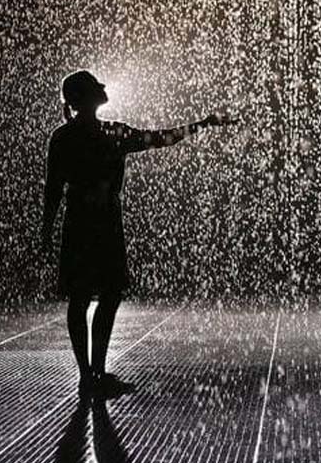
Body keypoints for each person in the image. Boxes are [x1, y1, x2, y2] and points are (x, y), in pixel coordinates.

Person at [40, 70, 237, 400]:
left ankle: (89, 375)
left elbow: (54, 190)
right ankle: (94, 373)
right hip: (103, 222)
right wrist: (202, 124)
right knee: (106, 294)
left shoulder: (66, 137)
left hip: (80, 221)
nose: (104, 87)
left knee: (82, 296)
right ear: (85, 97)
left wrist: (47, 229)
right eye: (96, 85)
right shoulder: (111, 133)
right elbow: (158, 139)